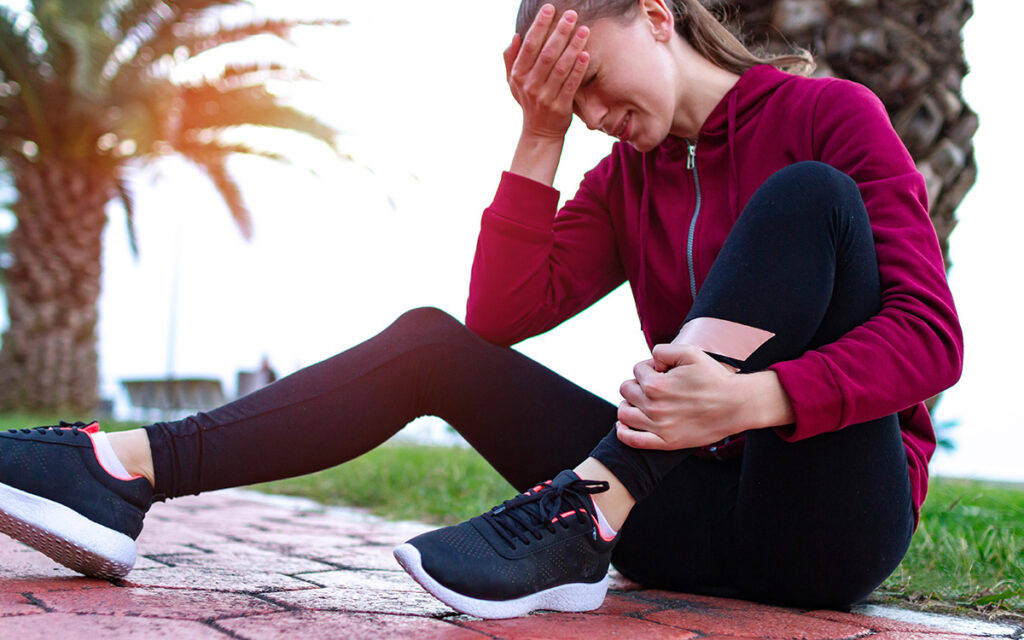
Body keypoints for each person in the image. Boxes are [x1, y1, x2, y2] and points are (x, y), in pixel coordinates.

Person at [0, 0, 962, 621]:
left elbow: (931, 337)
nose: (586, 112)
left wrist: (756, 401)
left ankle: (587, 507)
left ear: (659, 17)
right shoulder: (625, 178)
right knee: (429, 343)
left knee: (808, 198)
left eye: (582, 80)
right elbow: (495, 317)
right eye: (561, 98)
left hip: (823, 523)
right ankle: (119, 471)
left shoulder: (827, 120)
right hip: (681, 522)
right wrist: (537, 132)